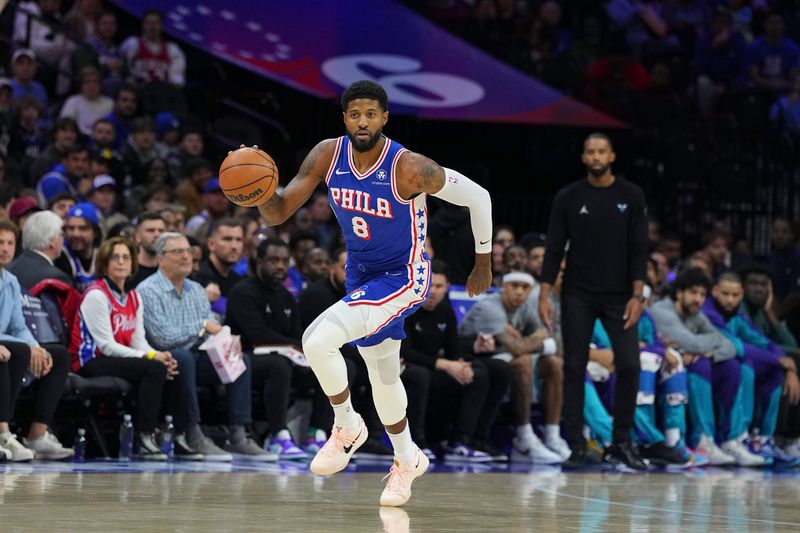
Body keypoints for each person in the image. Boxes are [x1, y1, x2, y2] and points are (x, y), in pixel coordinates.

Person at [248, 80, 492, 506]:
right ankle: (407, 459)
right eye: (355, 114)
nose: (363, 121)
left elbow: (478, 196)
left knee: (317, 340)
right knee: (383, 374)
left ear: (384, 118)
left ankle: (346, 425)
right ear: (345, 119)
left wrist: (483, 262)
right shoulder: (328, 153)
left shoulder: (411, 167)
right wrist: (258, 193)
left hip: (403, 275)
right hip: (361, 273)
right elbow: (281, 210)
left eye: (371, 114)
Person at [538, 132, 648, 470]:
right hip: (578, 293)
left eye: (602, 151)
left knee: (630, 364)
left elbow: (639, 247)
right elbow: (555, 247)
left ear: (612, 156)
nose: (596, 156)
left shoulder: (631, 195)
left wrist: (637, 294)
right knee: (574, 365)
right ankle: (576, 446)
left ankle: (621, 443)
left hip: (620, 296)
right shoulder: (568, 196)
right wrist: (544, 293)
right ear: (584, 157)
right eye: (590, 151)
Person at [138, 232, 270, 460]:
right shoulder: (148, 290)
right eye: (177, 252)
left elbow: (214, 325)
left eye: (188, 251)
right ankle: (192, 432)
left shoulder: (196, 289)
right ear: (161, 259)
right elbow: (161, 338)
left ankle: (238, 434)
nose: (186, 257)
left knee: (240, 357)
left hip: (196, 356)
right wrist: (201, 327)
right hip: (163, 361)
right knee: (182, 357)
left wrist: (229, 340)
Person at [69, 237, 196, 460]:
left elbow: (138, 341)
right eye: (115, 257)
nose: (121, 262)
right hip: (89, 360)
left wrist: (157, 355)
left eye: (126, 257)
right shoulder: (96, 295)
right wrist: (150, 357)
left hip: (118, 358)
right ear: (105, 264)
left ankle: (175, 433)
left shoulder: (134, 296)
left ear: (132, 263)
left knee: (173, 363)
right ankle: (144, 436)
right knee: (154, 368)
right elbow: (106, 346)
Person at [226, 238, 332, 459]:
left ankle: (317, 433)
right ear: (260, 262)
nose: (280, 266)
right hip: (245, 358)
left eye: (284, 261)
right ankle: (278, 436)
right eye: (273, 261)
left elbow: (297, 334)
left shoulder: (286, 297)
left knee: (332, 366)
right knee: (279, 365)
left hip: (286, 357)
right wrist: (294, 347)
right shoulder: (243, 292)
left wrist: (307, 352)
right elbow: (256, 335)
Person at [459, 270, 566, 464]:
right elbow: (517, 347)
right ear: (502, 287)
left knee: (554, 363)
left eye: (524, 288)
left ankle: (552, 434)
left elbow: (554, 342)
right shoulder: (490, 306)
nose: (519, 292)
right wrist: (535, 339)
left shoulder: (525, 307)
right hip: (472, 358)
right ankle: (523, 438)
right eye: (514, 286)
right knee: (523, 361)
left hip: (499, 357)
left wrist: (526, 340)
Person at [649, 268, 749, 465]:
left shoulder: (696, 315)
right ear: (679, 293)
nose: (698, 299)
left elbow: (728, 346)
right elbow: (692, 343)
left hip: (680, 365)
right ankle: (701, 440)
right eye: (693, 293)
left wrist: (709, 352)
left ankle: (730, 439)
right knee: (700, 365)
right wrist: (705, 346)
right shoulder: (662, 311)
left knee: (731, 367)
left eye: (703, 294)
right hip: (659, 367)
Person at [701, 272, 799, 466]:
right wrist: (780, 360)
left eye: (735, 295)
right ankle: (737, 437)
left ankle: (762, 439)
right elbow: (737, 346)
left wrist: (785, 363)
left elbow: (761, 340)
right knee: (744, 366)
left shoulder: (737, 315)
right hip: (711, 365)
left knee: (773, 372)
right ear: (715, 291)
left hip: (727, 365)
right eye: (725, 294)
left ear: (741, 294)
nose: (730, 300)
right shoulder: (708, 313)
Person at [0, 220, 73, 461]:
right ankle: (3, 433)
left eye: (10, 243)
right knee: (16, 351)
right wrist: (26, 347)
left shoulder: (10, 281)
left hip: (8, 343)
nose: (5, 249)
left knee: (58, 354)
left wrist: (37, 348)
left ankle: (37, 435)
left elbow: (19, 326)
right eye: (0, 242)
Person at [740, 263, 800, 457]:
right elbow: (755, 343)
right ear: (743, 287)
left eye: (764, 284)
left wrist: (769, 312)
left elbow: (787, 342)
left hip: (763, 362)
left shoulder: (761, 312)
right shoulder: (739, 309)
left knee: (793, 359)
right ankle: (784, 437)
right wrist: (786, 362)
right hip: (745, 361)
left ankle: (788, 438)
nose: (758, 289)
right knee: (790, 362)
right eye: (753, 283)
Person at [7, 210, 73, 289]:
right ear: (52, 241)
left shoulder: (8, 269)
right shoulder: (56, 278)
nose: (64, 238)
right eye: (61, 234)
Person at [55, 203, 100, 291]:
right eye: (71, 228)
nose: (75, 234)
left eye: (83, 228)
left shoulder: (102, 256)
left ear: (95, 232)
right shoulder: (60, 256)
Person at [127, 212, 165, 288]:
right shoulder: (127, 270)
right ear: (138, 237)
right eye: (150, 230)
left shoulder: (170, 269)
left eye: (161, 231)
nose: (157, 235)